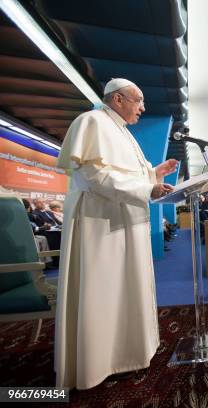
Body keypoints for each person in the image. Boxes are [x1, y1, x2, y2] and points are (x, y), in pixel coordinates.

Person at [54, 78, 178, 390]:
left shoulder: (121, 131)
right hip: (101, 224)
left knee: (128, 285)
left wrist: (154, 173)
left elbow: (125, 174)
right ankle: (101, 361)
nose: (143, 107)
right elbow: (95, 176)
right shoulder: (92, 122)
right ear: (118, 99)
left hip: (125, 222)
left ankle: (131, 352)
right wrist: (147, 187)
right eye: (139, 100)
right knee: (106, 289)